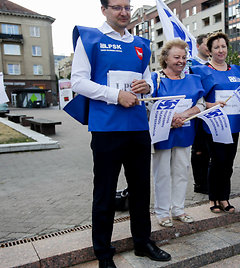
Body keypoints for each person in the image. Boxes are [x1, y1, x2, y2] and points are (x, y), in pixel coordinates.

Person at [70, 0, 171, 267]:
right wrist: (117, 95)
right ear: (103, 10)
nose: (124, 12)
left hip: (138, 127)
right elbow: (78, 81)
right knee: (104, 192)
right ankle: (103, 253)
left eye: (127, 6)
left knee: (140, 189)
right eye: (117, 6)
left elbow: (149, 79)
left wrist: (146, 86)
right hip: (107, 129)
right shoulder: (90, 38)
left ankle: (142, 241)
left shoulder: (141, 44)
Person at [151, 39, 205, 228]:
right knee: (163, 173)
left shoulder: (193, 79)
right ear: (165, 58)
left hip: (185, 131)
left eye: (184, 57)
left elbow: (201, 104)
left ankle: (178, 209)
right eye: (176, 57)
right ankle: (162, 212)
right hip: (162, 133)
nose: (181, 61)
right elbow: (149, 105)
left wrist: (183, 115)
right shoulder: (155, 78)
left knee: (182, 171)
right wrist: (169, 118)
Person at [190, 32, 240, 214]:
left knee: (228, 162)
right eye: (216, 47)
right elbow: (196, 97)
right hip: (215, 124)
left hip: (234, 124)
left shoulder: (236, 71)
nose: (220, 50)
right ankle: (213, 197)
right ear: (210, 50)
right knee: (217, 161)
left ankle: (224, 197)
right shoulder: (203, 70)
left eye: (223, 46)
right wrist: (209, 104)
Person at [190, 34, 211, 195]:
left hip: (214, 114)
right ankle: (200, 183)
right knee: (199, 150)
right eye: (206, 44)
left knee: (212, 149)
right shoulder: (191, 64)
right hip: (198, 114)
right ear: (198, 46)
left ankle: (211, 181)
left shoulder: (214, 65)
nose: (209, 47)